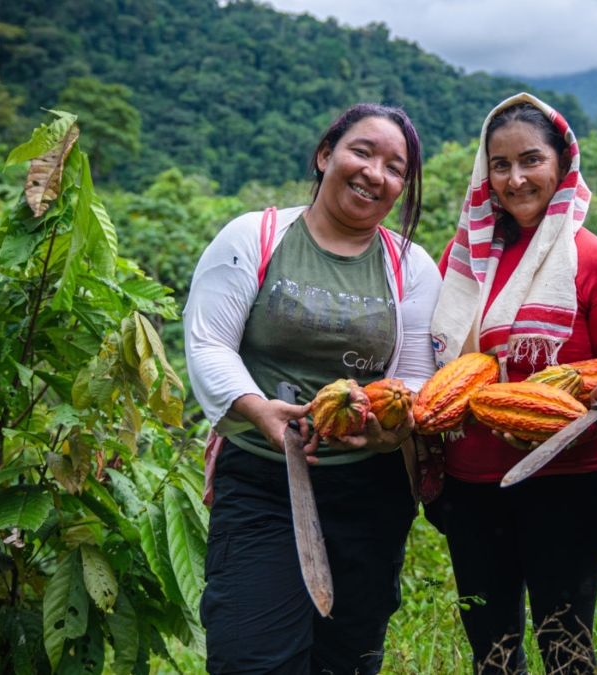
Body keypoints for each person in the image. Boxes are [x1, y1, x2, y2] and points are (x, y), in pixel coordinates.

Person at [183, 103, 441, 673]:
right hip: (261, 482)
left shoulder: (411, 266)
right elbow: (208, 343)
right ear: (326, 155)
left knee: (347, 657)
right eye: (363, 152)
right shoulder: (256, 235)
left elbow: (418, 378)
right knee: (252, 654)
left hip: (369, 489)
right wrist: (258, 411)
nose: (376, 173)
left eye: (396, 167)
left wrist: (382, 428)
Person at [425, 93, 597, 674]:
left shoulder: (596, 263)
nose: (516, 178)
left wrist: (591, 400)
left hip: (567, 487)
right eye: (500, 165)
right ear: (485, 172)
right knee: (492, 655)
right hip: (471, 487)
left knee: (566, 650)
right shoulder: (462, 258)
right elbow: (435, 357)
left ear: (561, 164)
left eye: (531, 161)